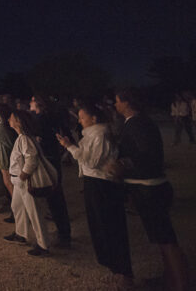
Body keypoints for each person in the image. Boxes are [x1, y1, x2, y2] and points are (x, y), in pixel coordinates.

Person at [110, 89, 189, 290]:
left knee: (166, 239)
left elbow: (147, 155)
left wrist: (122, 164)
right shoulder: (139, 122)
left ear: (127, 103)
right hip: (149, 187)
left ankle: (179, 284)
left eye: (117, 101)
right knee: (162, 238)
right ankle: (170, 277)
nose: (115, 105)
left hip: (150, 189)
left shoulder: (137, 124)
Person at [57, 104, 133, 287]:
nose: (79, 120)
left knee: (110, 227)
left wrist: (69, 147)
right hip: (94, 183)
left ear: (94, 119)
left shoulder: (100, 135)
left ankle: (123, 273)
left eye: (82, 117)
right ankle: (116, 270)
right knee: (100, 227)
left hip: (102, 185)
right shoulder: (92, 135)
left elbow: (91, 161)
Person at [3, 110, 54, 257]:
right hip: (20, 180)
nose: (9, 119)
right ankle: (21, 234)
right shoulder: (22, 137)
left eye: (11, 118)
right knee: (17, 206)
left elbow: (32, 157)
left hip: (23, 180)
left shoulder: (24, 138)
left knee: (34, 212)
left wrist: (24, 175)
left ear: (18, 122)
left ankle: (43, 244)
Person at [30, 95, 72, 248]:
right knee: (56, 196)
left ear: (38, 104)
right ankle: (64, 232)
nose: (30, 102)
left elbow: (41, 139)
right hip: (53, 157)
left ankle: (64, 236)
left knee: (54, 196)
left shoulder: (41, 119)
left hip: (48, 159)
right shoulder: (50, 117)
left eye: (32, 100)